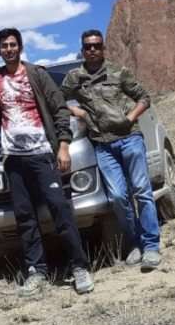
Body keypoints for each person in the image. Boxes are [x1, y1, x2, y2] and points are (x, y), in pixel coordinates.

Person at [0, 28, 94, 295]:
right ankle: (36, 270)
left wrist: (63, 146)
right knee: (25, 216)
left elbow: (58, 108)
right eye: (4, 45)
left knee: (59, 208)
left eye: (13, 44)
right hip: (13, 158)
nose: (9, 49)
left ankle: (79, 267)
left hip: (41, 153)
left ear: (20, 47)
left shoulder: (36, 74)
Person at [61, 29, 161, 270]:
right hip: (103, 146)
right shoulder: (75, 77)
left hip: (129, 138)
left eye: (97, 45)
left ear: (103, 48)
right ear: (82, 50)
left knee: (142, 190)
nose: (92, 49)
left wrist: (129, 118)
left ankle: (151, 246)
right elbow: (56, 99)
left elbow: (143, 97)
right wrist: (75, 110)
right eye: (88, 46)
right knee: (117, 196)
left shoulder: (119, 72)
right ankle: (134, 242)